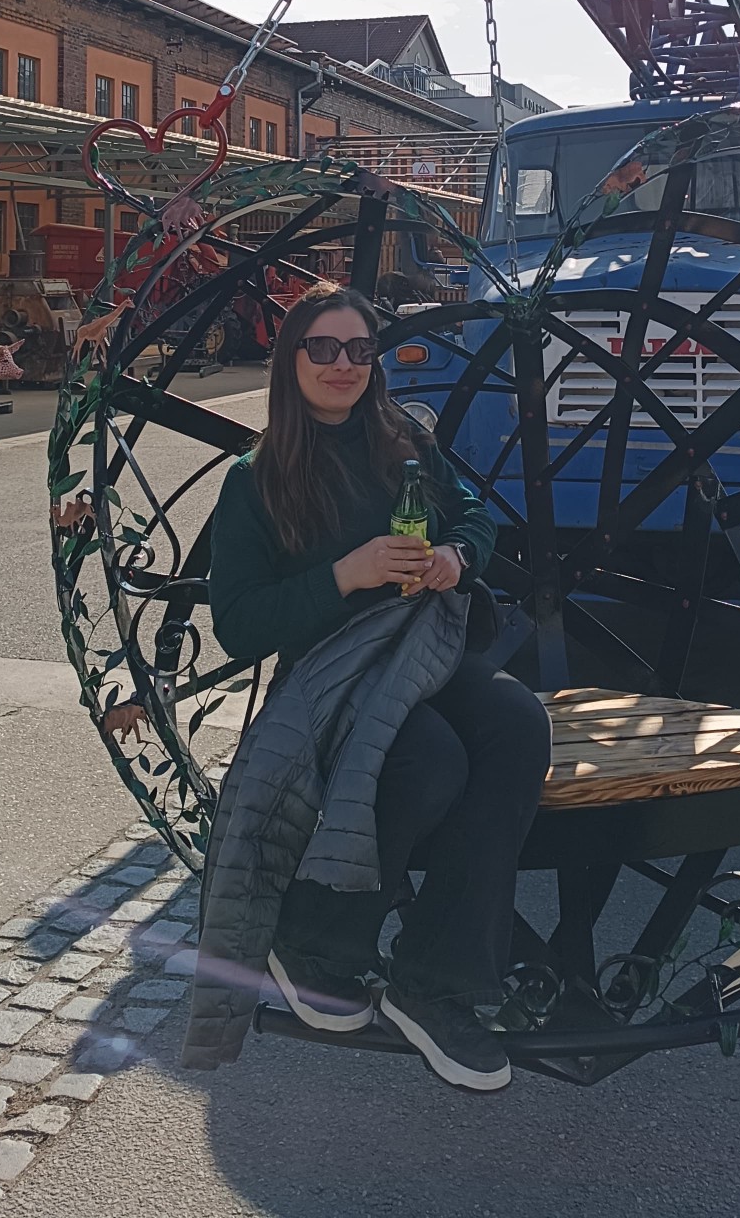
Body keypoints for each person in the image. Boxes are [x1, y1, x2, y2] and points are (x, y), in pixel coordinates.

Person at [206, 281, 551, 1092]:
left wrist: (456, 557)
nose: (343, 364)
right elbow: (240, 624)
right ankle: (316, 941)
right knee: (426, 759)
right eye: (323, 348)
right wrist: (345, 574)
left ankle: (435, 980)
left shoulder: (405, 443)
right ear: (291, 360)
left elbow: (476, 517)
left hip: (419, 649)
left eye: (360, 349)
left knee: (515, 723)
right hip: (330, 674)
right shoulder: (255, 480)